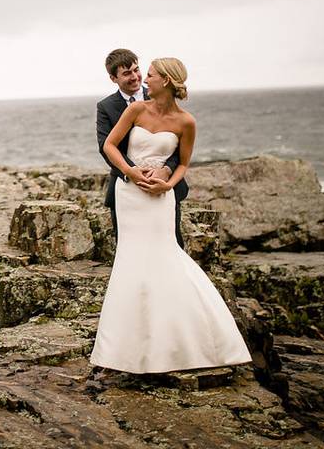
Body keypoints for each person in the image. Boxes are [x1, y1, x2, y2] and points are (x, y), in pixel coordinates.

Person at [89, 57, 252, 374]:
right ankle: (125, 350)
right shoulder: (134, 110)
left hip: (161, 197)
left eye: (147, 73)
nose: (142, 77)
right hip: (129, 195)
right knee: (130, 263)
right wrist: (131, 173)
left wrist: (168, 184)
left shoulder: (186, 121)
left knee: (167, 258)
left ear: (165, 80)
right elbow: (108, 145)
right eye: (136, 72)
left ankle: (187, 340)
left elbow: (183, 163)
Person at [96, 49, 188, 248]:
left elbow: (178, 146)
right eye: (127, 73)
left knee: (170, 245)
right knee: (130, 249)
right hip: (126, 185)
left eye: (137, 70)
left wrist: (166, 171)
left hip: (162, 186)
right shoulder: (106, 107)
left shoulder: (161, 94)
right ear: (113, 78)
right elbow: (106, 147)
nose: (136, 77)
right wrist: (133, 172)